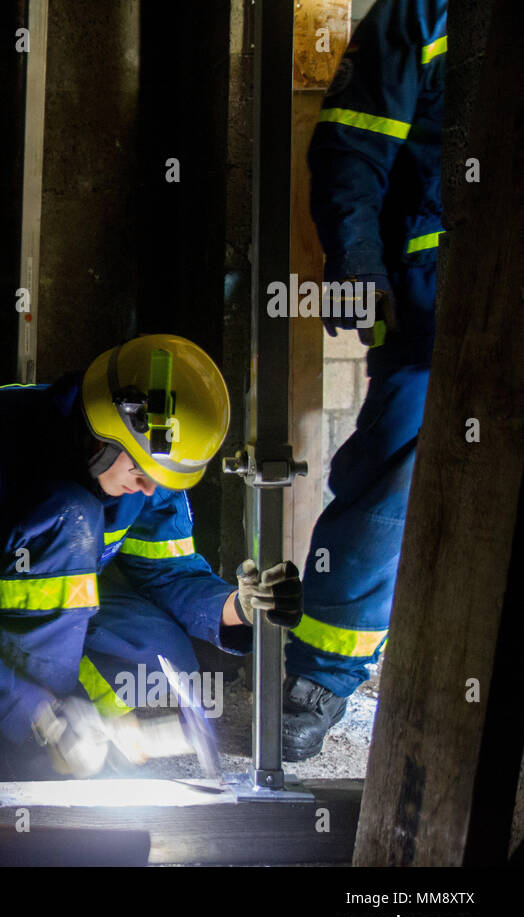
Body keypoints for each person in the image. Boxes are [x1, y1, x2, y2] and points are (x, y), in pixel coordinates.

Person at [0, 334, 303, 779]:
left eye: (161, 477)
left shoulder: (151, 463)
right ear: (104, 432)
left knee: (161, 657)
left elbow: (169, 574)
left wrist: (237, 607)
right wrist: (42, 717)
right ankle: (25, 754)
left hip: (57, 593)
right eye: (139, 470)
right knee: (70, 516)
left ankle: (80, 732)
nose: (149, 488)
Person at [285, 0, 446, 760]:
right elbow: (352, 146)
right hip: (432, 306)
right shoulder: (424, 12)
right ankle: (320, 681)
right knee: (389, 491)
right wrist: (356, 264)